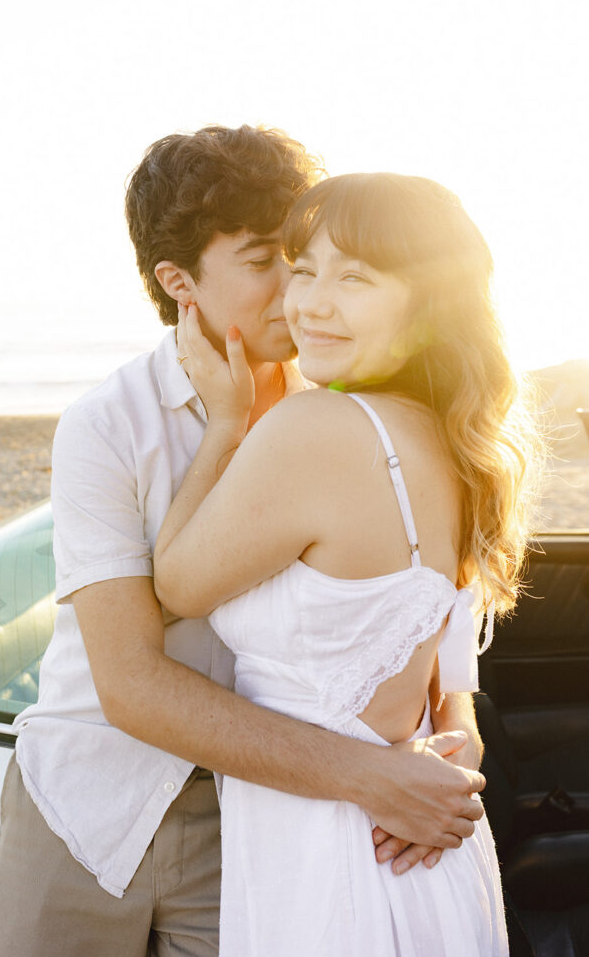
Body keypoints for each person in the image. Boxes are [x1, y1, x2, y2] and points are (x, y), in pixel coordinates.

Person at [0, 134, 486, 957]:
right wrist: (377, 778)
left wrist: (449, 725)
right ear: (178, 283)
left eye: (306, 257)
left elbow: (421, 603)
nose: (301, 291)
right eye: (265, 262)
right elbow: (133, 687)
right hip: (89, 799)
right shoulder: (109, 426)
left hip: (264, 807)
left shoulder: (344, 395)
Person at [153, 172, 543, 956]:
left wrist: (227, 422)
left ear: (428, 306)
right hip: (416, 844)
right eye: (303, 269)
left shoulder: (315, 427)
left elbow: (177, 582)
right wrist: (456, 723)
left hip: (331, 847)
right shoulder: (456, 439)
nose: (310, 304)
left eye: (354, 278)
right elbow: (446, 633)